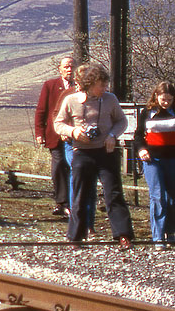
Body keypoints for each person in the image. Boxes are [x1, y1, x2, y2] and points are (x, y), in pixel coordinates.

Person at [54, 63, 132, 247]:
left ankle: (123, 235)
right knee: (80, 194)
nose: (104, 88)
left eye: (105, 85)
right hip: (82, 153)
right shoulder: (71, 100)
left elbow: (121, 120)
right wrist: (73, 132)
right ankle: (76, 236)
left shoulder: (110, 99)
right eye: (101, 85)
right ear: (90, 84)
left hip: (106, 152)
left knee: (113, 193)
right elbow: (58, 123)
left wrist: (113, 135)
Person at [35, 56, 76, 217]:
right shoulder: (50, 85)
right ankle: (62, 202)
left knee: (73, 166)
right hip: (55, 134)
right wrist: (40, 133)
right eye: (66, 66)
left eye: (72, 66)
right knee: (58, 166)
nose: (69, 70)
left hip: (75, 135)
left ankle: (73, 202)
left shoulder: (80, 87)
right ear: (59, 69)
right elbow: (41, 110)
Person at [136, 81, 175, 247]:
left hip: (171, 158)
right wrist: (141, 150)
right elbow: (138, 136)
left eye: (169, 100)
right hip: (152, 159)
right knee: (158, 196)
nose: (165, 103)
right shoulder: (147, 112)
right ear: (156, 96)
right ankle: (158, 236)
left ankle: (171, 231)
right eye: (163, 99)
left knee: (172, 197)